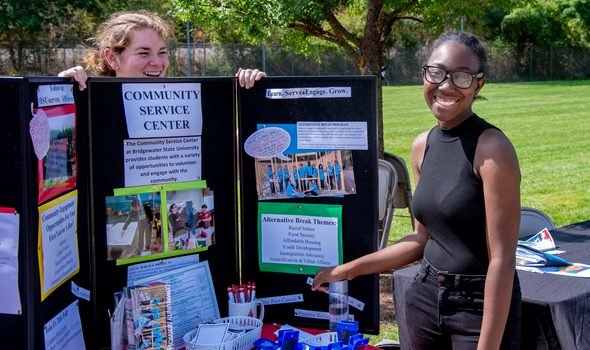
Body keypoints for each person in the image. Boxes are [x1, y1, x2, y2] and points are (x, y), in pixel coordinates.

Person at [312, 31, 521, 349]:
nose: (446, 85)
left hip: (477, 307)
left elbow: (502, 260)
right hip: (424, 297)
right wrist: (348, 270)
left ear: (478, 84)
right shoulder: (422, 145)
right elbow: (420, 238)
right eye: (437, 72)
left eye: (461, 76)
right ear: (425, 75)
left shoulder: (492, 148)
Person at [58, 11, 266, 89]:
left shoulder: (187, 105)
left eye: (162, 52)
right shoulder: (89, 104)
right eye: (143, 52)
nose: (157, 62)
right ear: (112, 58)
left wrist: (256, 93)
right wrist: (63, 91)